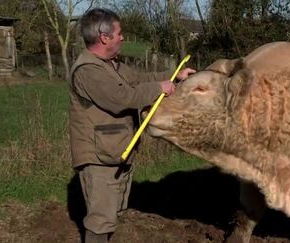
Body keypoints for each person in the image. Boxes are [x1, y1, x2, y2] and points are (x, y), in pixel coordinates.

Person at [69, 8, 196, 243]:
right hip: (98, 158)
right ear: (104, 37)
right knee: (100, 221)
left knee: (110, 215)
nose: (123, 37)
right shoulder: (88, 70)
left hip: (113, 151)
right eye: (119, 33)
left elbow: (139, 79)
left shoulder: (110, 65)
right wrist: (159, 88)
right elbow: (122, 99)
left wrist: (174, 76)